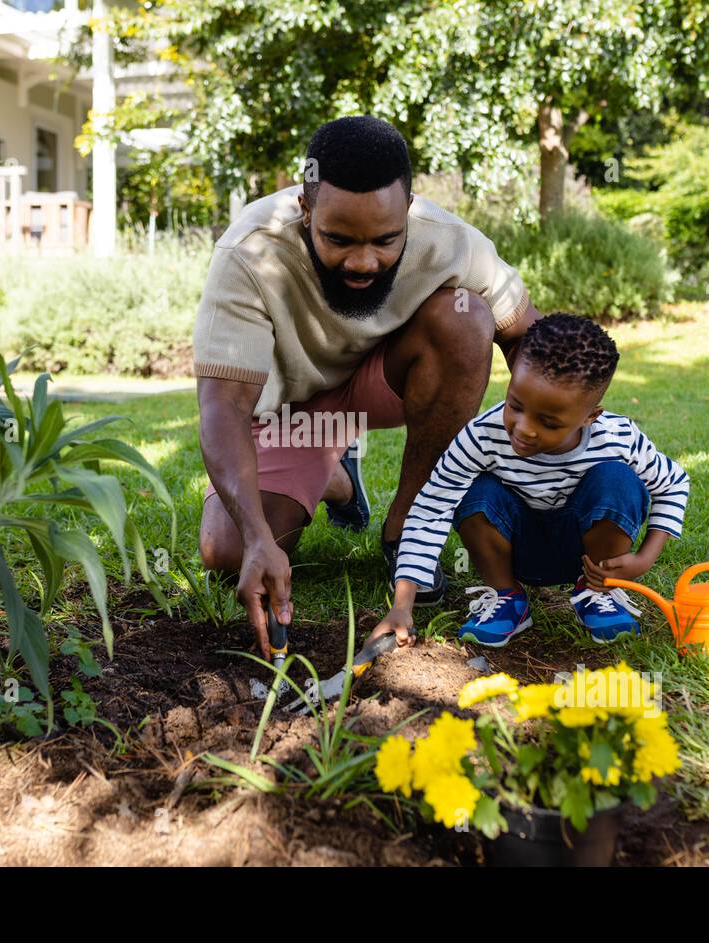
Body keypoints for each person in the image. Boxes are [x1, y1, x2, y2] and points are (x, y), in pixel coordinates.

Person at [194, 115, 541, 658]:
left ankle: (406, 528)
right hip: (293, 411)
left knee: (465, 316)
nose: (363, 261)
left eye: (385, 240)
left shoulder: (451, 241)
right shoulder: (251, 250)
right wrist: (260, 536)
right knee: (226, 550)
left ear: (407, 210)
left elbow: (532, 342)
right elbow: (222, 407)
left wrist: (549, 448)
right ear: (305, 209)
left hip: (387, 382)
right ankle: (336, 477)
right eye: (338, 239)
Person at [373, 312, 691, 648]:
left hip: (587, 553)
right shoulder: (482, 436)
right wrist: (402, 605)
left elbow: (674, 484)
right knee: (473, 491)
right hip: (513, 549)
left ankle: (596, 593)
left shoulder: (617, 437)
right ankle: (507, 598)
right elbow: (432, 506)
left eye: (549, 422)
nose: (523, 429)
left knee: (618, 480)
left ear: (589, 417)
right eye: (516, 405)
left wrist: (645, 559)